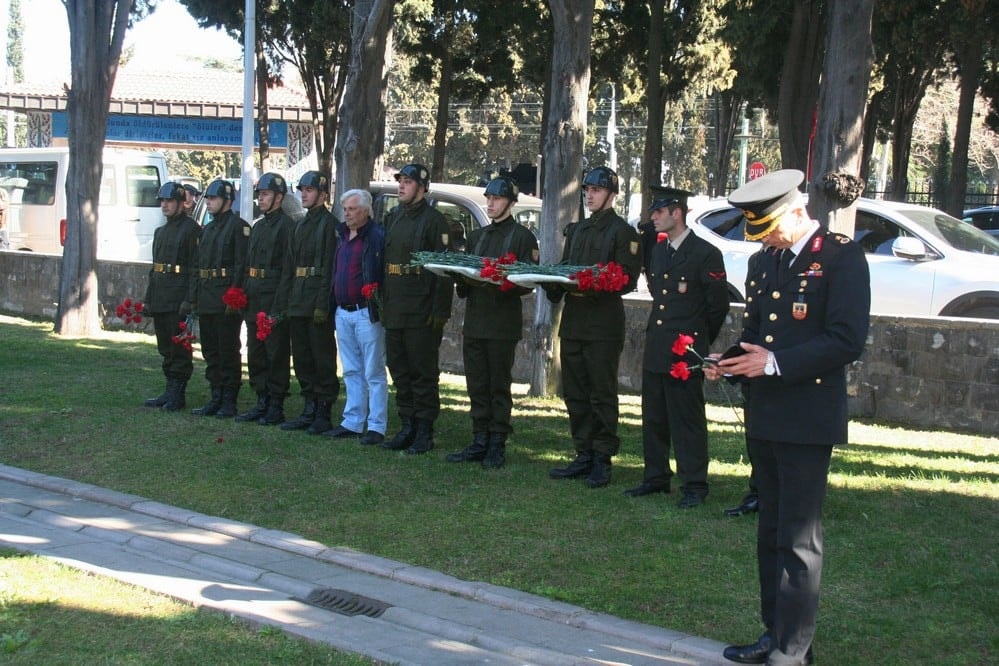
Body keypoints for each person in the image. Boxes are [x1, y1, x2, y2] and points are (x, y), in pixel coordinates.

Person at [703, 170, 870, 665]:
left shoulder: (841, 257)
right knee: (771, 531)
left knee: (799, 539)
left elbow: (846, 340)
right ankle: (773, 632)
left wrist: (772, 364)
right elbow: (757, 333)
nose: (768, 239)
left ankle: (794, 650)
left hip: (807, 417)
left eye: (772, 228)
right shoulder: (765, 261)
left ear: (797, 211)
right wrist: (729, 362)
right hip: (767, 413)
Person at [627, 186, 729, 507]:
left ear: (677, 212)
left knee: (687, 420)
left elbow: (716, 308)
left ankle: (694, 484)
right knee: (654, 416)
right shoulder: (658, 251)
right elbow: (660, 296)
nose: (653, 217)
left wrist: (696, 342)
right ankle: (656, 477)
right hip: (658, 346)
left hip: (685, 351)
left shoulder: (705, 253)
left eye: (658, 212)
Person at [545, 166, 642, 488]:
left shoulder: (622, 232)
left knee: (601, 394)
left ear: (612, 194)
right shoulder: (578, 230)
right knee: (575, 392)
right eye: (586, 190)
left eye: (596, 190)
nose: (589, 195)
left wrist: (596, 283)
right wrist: (553, 283)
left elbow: (626, 279)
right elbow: (565, 266)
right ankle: (583, 452)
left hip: (602, 323)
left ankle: (602, 457)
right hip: (574, 321)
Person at [445, 176, 539, 469]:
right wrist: (459, 274)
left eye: (496, 199)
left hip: (501, 323)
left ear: (510, 202)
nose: (491, 204)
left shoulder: (522, 237)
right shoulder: (478, 236)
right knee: (476, 383)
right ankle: (479, 438)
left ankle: (497, 441)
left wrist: (504, 281)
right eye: (488, 199)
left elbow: (529, 281)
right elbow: (466, 280)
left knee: (498, 384)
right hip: (475, 321)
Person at [379, 163, 454, 455]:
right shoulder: (394, 217)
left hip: (421, 308)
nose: (401, 186)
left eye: (408, 182)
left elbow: (444, 270)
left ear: (422, 188)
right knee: (399, 370)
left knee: (422, 373)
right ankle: (407, 424)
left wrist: (439, 312)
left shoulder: (435, 221)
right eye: (400, 181)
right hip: (396, 305)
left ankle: (424, 429)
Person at [275, 170, 341, 435]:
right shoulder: (300, 225)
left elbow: (329, 267)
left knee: (322, 357)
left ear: (323, 195)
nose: (304, 194)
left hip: (316, 299)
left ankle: (323, 411)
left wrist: (322, 304)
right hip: (298, 299)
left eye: (309, 190)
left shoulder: (330, 224)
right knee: (301, 357)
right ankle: (309, 407)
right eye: (301, 190)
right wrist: (285, 302)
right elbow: (290, 267)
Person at [323, 188, 389, 446]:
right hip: (343, 310)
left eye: (352, 209)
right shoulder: (340, 235)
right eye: (345, 209)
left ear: (366, 210)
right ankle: (352, 421)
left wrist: (378, 303)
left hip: (366, 311)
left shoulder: (377, 237)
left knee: (373, 370)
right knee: (351, 369)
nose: (347, 214)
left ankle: (376, 425)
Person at [235, 173, 295, 426]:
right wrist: (243, 295)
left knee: (276, 354)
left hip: (273, 300)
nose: (261, 198)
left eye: (266, 194)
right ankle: (261, 399)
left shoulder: (287, 227)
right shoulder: (258, 226)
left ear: (279, 197)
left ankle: (275, 405)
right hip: (255, 297)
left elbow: (287, 270)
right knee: (256, 353)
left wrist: (279, 307)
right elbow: (248, 265)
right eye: (259, 194)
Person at [190, 178, 250, 419]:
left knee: (228, 350)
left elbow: (241, 265)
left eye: (213, 198)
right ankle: (216, 395)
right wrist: (194, 297)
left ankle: (229, 399)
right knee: (210, 350)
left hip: (226, 296)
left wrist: (234, 295)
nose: (209, 202)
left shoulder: (239, 227)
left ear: (227, 200)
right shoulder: (208, 228)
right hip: (207, 295)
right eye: (208, 198)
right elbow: (198, 265)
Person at [142, 181, 201, 412]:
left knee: (180, 347)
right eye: (163, 202)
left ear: (180, 204)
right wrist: (148, 299)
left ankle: (178, 393)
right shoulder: (160, 231)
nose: (165, 205)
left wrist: (190, 299)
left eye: (169, 201)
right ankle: (169, 388)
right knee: (165, 346)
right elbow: (154, 268)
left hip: (178, 297)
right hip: (160, 295)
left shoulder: (192, 230)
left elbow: (195, 268)